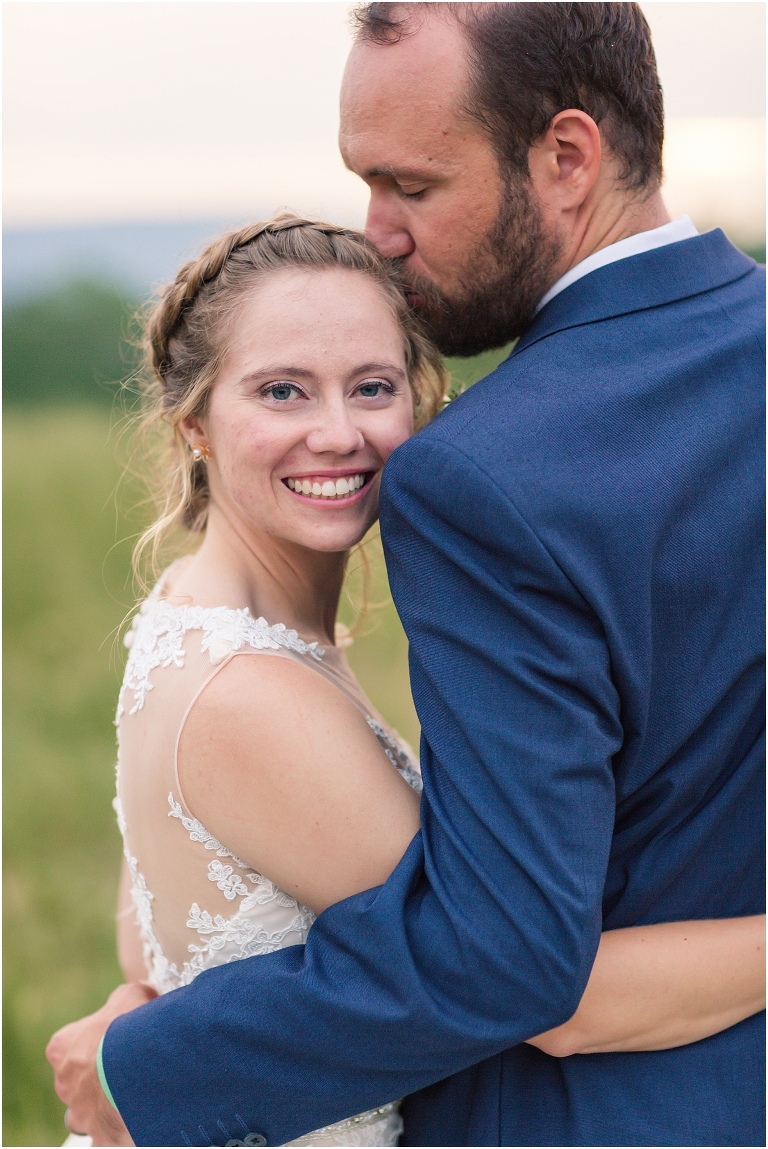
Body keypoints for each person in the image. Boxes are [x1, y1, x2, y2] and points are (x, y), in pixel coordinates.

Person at [47, 4, 765, 1147]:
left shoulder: (489, 473)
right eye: (283, 390)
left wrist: (149, 1067)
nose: (377, 229)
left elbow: (507, 955)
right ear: (192, 425)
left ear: (567, 159)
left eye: (412, 187)